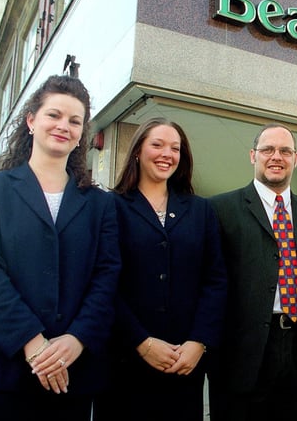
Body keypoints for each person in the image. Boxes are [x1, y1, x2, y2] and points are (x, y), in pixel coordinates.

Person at [0, 75, 121, 421]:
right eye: (54, 115)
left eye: (75, 121)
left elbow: (106, 278)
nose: (64, 126)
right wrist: (35, 345)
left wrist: (76, 339)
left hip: (69, 378)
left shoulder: (99, 204)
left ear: (81, 135)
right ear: (31, 121)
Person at [92, 117, 227, 421]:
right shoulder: (110, 206)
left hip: (183, 362)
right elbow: (103, 281)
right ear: (138, 150)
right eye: (157, 144)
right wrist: (141, 341)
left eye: (175, 148)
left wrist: (199, 342)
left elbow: (215, 280)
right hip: (124, 361)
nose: (167, 153)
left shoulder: (200, 210)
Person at [208, 123, 297, 421]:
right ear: (253, 155)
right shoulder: (220, 210)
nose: (276, 156)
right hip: (242, 355)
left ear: (295, 158)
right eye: (268, 150)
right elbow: (209, 282)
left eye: (285, 151)